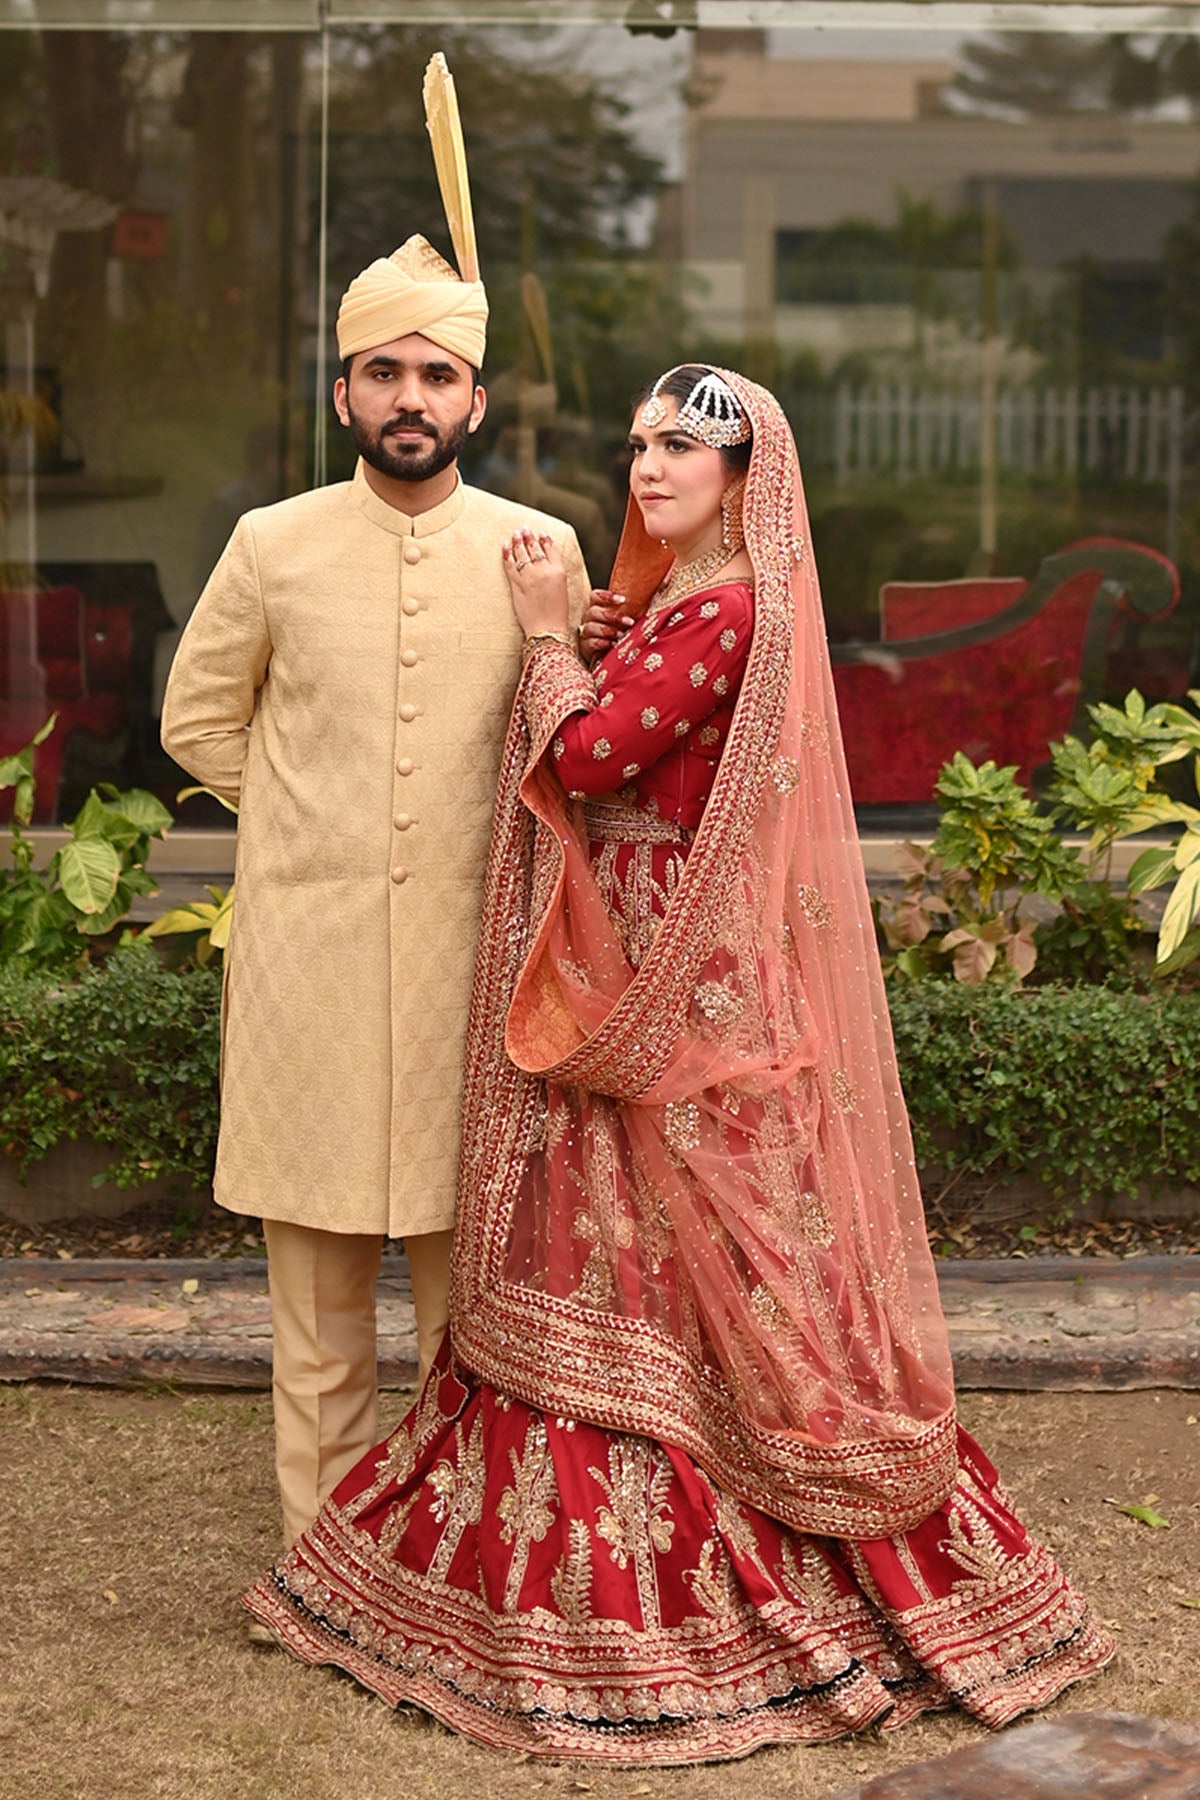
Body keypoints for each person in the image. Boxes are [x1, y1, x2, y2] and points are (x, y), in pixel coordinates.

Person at [243, 364, 1113, 1764]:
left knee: (683, 1277)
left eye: (684, 451)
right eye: (640, 443)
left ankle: (697, 1598)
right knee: (668, 1275)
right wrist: (595, 634)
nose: (651, 467)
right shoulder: (695, 604)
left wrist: (541, 639)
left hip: (654, 1003)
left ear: (741, 476)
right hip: (653, 982)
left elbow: (589, 764)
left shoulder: (723, 608)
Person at [159, 230, 589, 1553]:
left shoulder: (541, 549)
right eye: (385, 373)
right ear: (343, 395)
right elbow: (197, 722)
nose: (412, 398)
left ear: (475, 399)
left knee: (482, 1315)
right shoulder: (272, 543)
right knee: (322, 1320)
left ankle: (458, 1560)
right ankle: (325, 1563)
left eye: (438, 376)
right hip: (313, 974)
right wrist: (312, 820)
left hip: (481, 986)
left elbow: (579, 740)